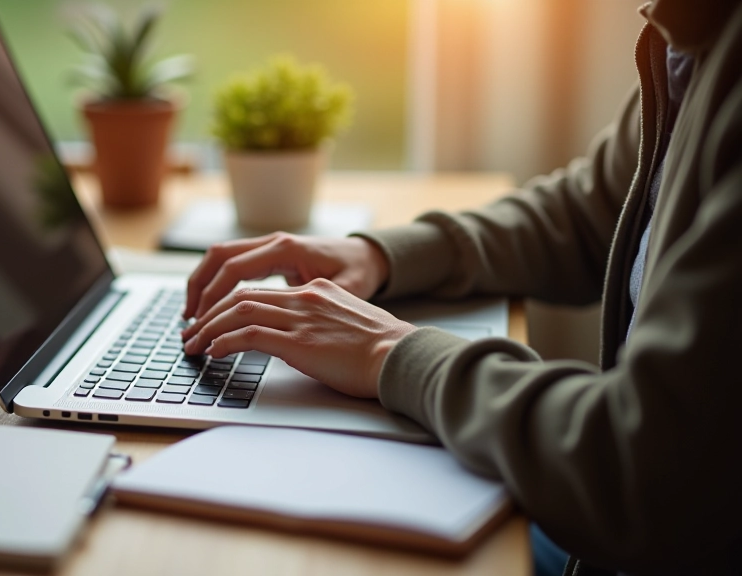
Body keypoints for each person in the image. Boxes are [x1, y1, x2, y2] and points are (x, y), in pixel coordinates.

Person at [179, 0, 742, 574]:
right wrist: (382, 255)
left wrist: (389, 352)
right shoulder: (692, 28)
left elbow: (643, 467)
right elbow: (591, 212)